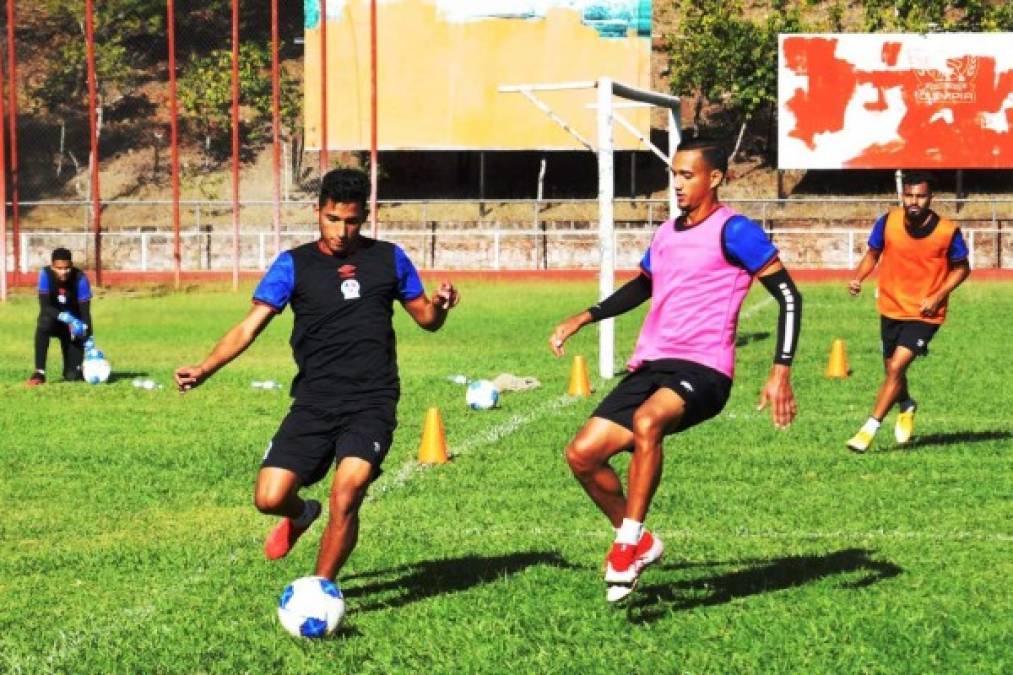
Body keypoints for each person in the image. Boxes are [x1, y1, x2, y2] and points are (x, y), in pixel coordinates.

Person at [174, 168, 460, 582]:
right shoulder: (293, 265)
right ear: (317, 212)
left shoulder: (389, 258)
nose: (341, 231)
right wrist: (204, 368)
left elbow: (427, 320)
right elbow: (248, 327)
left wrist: (441, 305)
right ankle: (303, 513)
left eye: (351, 221)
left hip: (371, 401)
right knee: (270, 498)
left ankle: (320, 588)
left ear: (365, 215)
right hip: (314, 401)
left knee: (347, 492)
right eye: (332, 219)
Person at [549, 138, 802, 603]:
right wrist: (583, 317)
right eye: (675, 176)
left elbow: (789, 295)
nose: (678, 185)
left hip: (705, 369)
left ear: (716, 178)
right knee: (582, 455)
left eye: (688, 175)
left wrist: (780, 369)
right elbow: (642, 286)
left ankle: (626, 544)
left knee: (648, 421)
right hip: (652, 363)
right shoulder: (666, 233)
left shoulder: (737, 231)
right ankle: (643, 543)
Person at [845, 171, 970, 453]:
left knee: (898, 366)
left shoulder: (947, 231)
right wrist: (858, 278)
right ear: (903, 195)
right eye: (909, 195)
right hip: (890, 306)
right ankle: (906, 404)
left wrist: (938, 296)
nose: (914, 201)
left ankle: (868, 429)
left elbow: (963, 268)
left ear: (931, 198)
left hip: (925, 313)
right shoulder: (887, 222)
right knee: (891, 368)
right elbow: (873, 254)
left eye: (920, 196)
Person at [26, 247, 94, 386]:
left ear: (71, 265)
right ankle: (39, 372)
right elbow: (45, 306)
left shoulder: (80, 278)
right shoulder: (45, 274)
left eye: (66, 268)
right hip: (54, 321)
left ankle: (75, 369)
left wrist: (88, 338)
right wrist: (66, 317)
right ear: (52, 267)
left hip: (72, 329)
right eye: (59, 268)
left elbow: (85, 313)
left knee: (73, 377)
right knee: (44, 321)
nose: (63, 272)